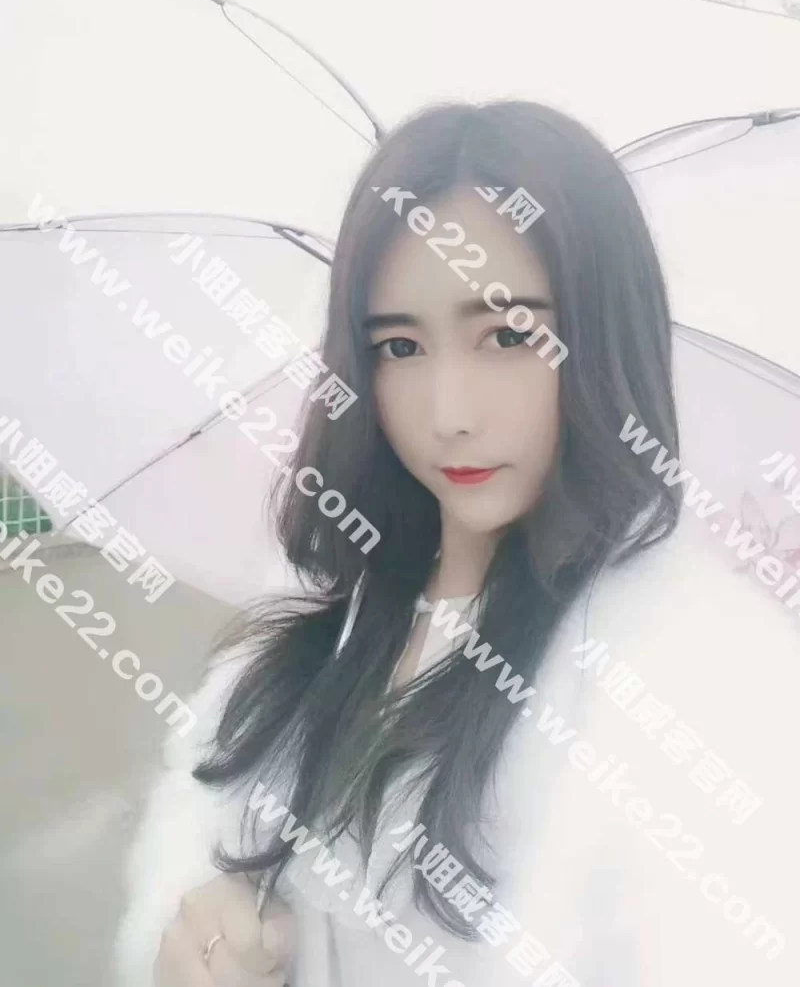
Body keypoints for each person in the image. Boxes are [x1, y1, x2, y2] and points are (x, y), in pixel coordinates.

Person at [112, 101, 800, 987]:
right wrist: (201, 945)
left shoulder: (694, 680)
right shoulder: (288, 666)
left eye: (508, 336)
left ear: (603, 335)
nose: (449, 413)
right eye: (399, 347)